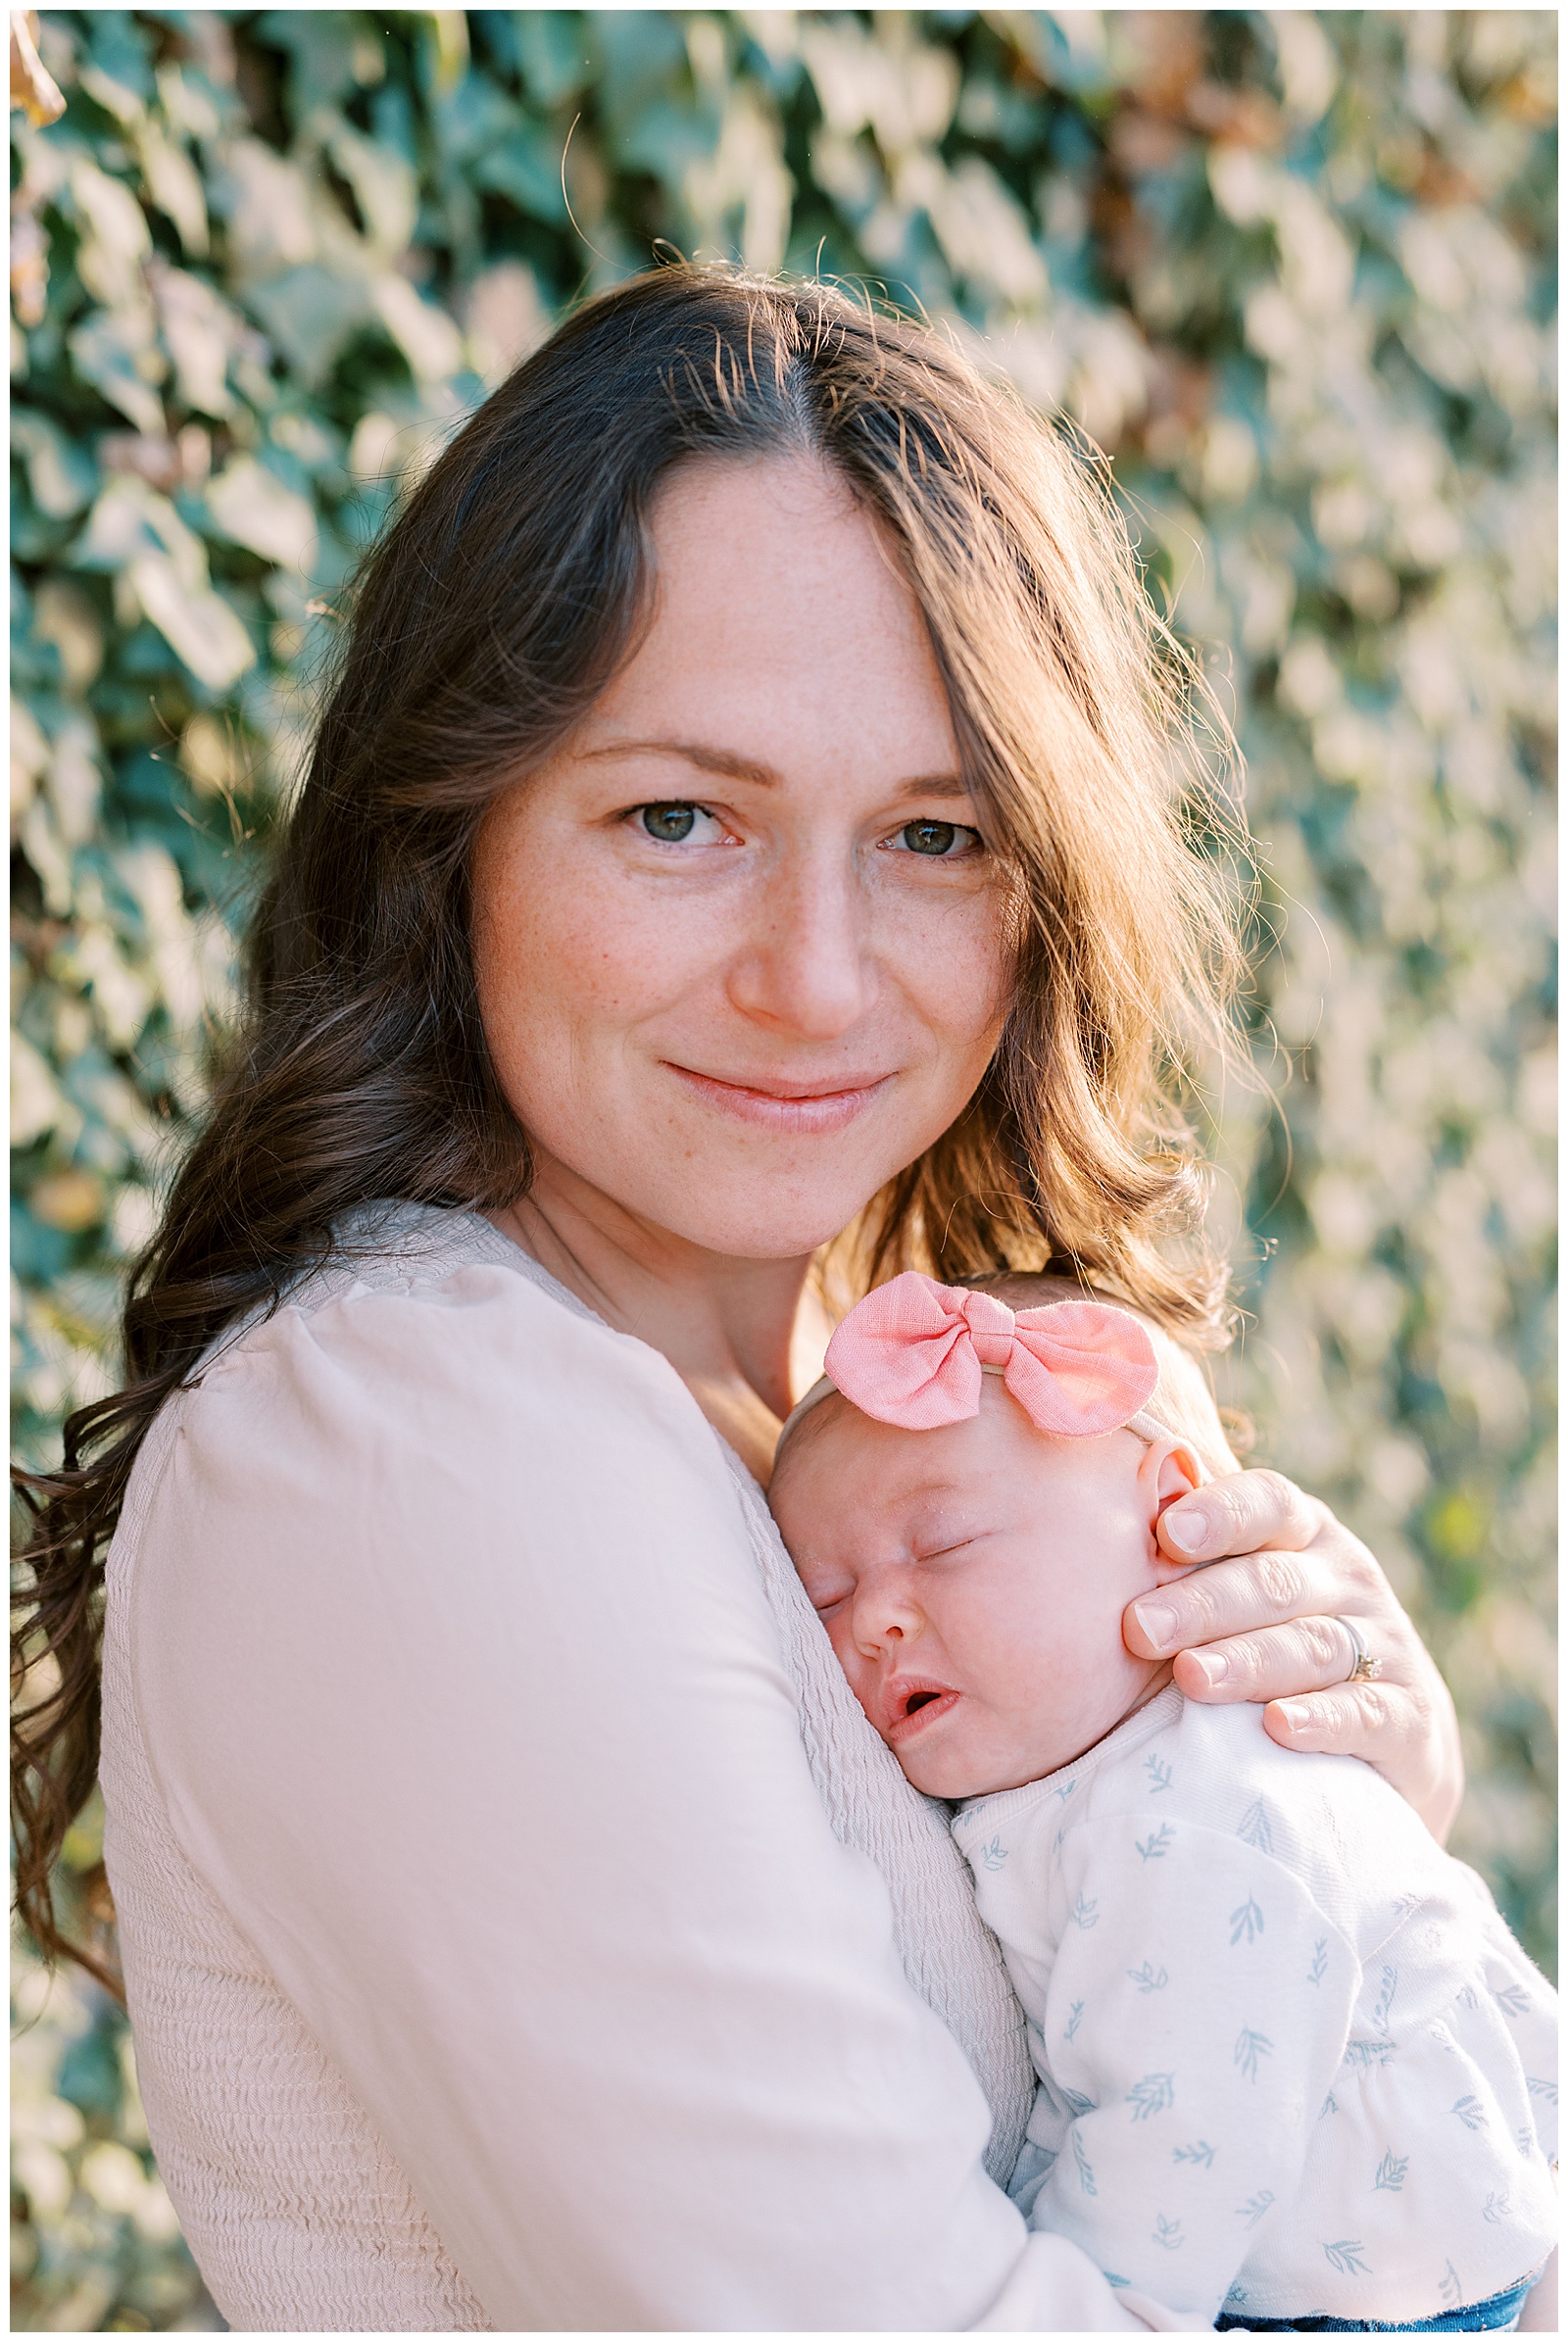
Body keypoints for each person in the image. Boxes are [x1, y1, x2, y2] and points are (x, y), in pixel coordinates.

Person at [12, 268, 1507, 2331]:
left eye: (930, 833)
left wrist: (1315, 1833)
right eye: (677, 817)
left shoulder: (857, 1436)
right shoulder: (415, 1448)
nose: (812, 976)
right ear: (450, 839)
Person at [769, 1269, 1558, 2332]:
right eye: (823, 1592)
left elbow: (1183, 2138)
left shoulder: (1195, 1810)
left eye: (943, 1542)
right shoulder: (1090, 1767)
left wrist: (1087, 2300)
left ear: (1171, 1516)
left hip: (1376, 2302)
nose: (874, 1620)